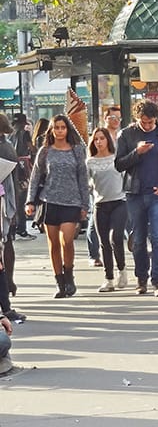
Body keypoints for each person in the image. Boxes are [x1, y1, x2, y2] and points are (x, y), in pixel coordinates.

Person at [114, 100, 158, 298]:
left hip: (157, 193)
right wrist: (137, 153)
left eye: (151, 122)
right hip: (135, 193)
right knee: (139, 239)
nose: (147, 126)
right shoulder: (126, 134)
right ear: (136, 119)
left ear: (156, 119)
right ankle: (141, 279)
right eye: (143, 122)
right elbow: (119, 164)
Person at [25, 115, 90, 298]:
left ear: (68, 129)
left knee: (67, 240)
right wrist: (30, 201)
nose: (60, 131)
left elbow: (83, 178)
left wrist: (84, 205)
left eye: (63, 127)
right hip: (49, 201)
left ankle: (69, 275)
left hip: (72, 202)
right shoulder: (45, 151)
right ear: (52, 130)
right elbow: (35, 176)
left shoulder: (77, 150)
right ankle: (60, 282)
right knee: (53, 244)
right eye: (57, 128)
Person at [87, 127, 128, 292]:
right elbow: (87, 183)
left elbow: (125, 177)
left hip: (119, 201)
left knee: (116, 237)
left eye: (102, 138)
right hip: (100, 204)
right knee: (104, 242)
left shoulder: (116, 158)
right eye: (96, 139)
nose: (99, 142)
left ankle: (122, 269)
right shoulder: (90, 162)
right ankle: (109, 278)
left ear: (107, 140)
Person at [0, 114, 24, 322]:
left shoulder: (4, 148)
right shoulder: (7, 146)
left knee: (3, 248)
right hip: (6, 205)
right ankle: (8, 285)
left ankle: (6, 286)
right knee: (5, 246)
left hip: (2, 204)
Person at [10, 113, 36, 241]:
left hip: (12, 168)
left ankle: (13, 227)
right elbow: (31, 148)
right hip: (23, 168)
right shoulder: (24, 133)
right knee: (23, 199)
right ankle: (22, 228)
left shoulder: (8, 135)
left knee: (14, 198)